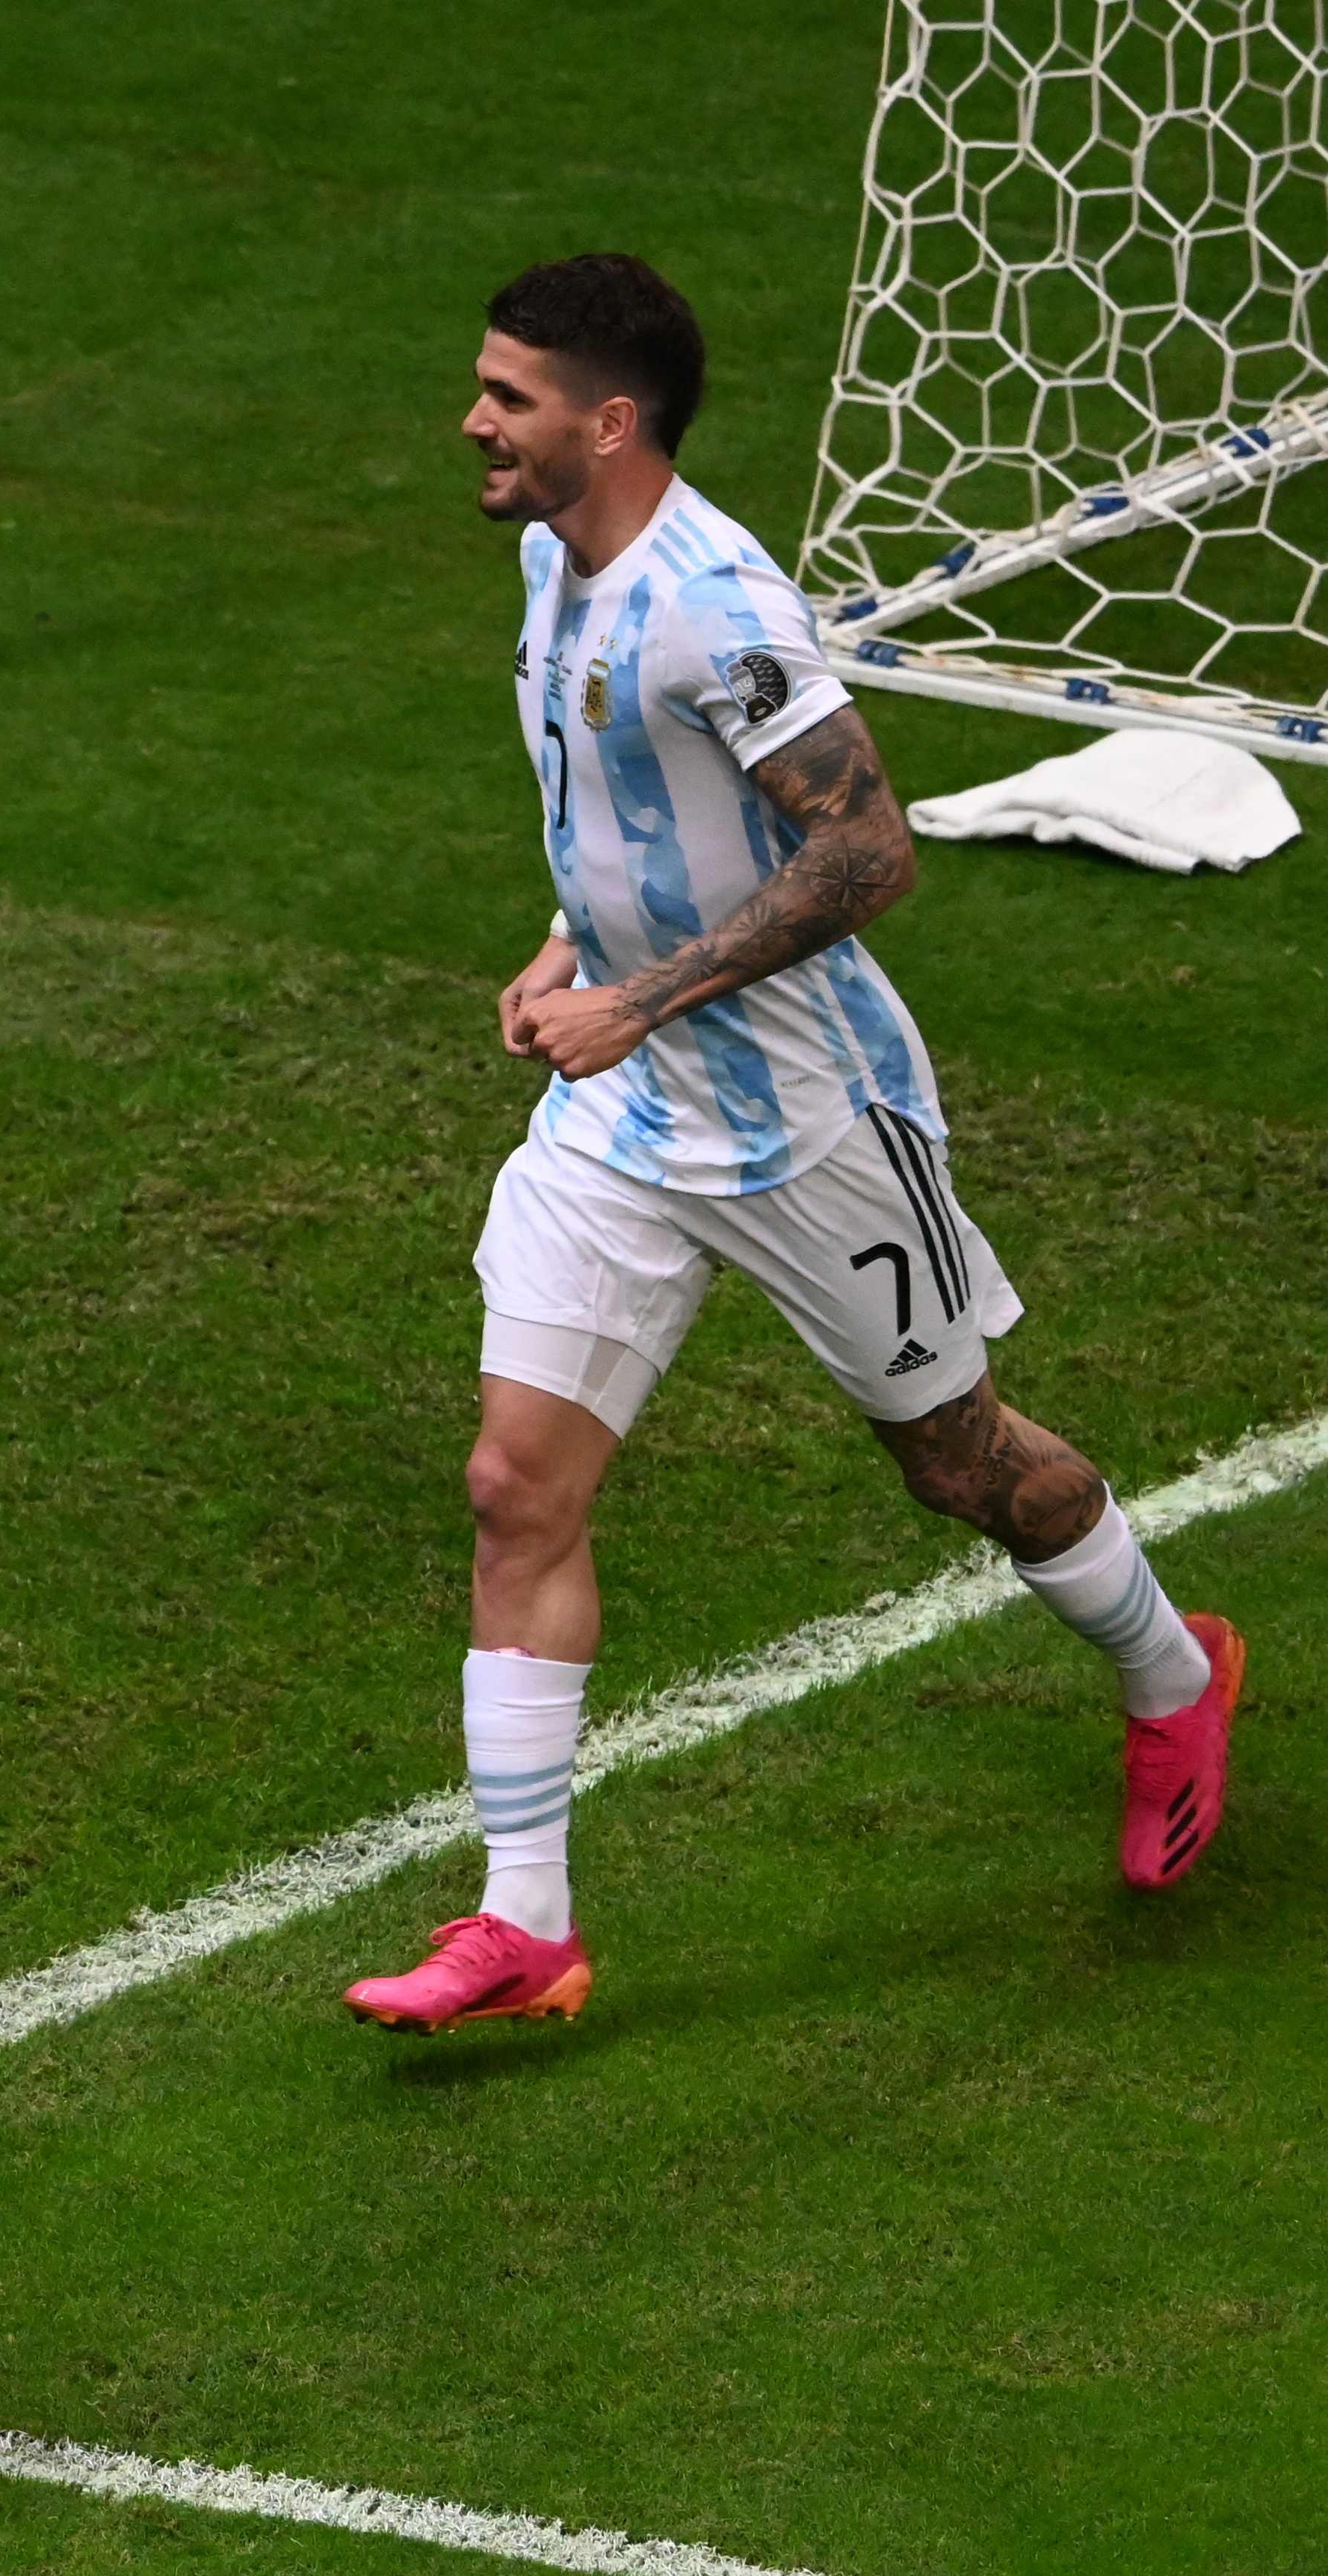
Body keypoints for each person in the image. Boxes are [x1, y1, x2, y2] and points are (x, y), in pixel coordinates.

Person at [348, 256, 1249, 2037]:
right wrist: (569, 942)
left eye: (510, 396)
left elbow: (869, 853)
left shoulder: (715, 606)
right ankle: (525, 1921)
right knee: (514, 1484)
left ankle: (1173, 1669)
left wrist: (642, 994)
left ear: (611, 423)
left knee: (961, 1458)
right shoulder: (550, 556)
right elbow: (619, 807)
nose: (475, 419)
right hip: (626, 1114)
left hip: (805, 1119)